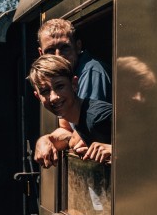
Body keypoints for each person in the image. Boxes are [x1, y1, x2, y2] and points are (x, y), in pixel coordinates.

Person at [33, 19, 111, 168]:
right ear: (41, 53)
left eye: (65, 48)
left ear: (78, 46)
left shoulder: (90, 72)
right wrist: (45, 140)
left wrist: (68, 139)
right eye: (50, 51)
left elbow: (82, 137)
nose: (58, 56)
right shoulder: (63, 78)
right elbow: (67, 128)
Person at [27, 54, 112, 164]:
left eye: (60, 86)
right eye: (45, 92)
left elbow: (141, 138)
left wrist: (115, 150)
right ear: (38, 97)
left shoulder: (96, 117)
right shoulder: (80, 120)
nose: (54, 97)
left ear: (74, 84)